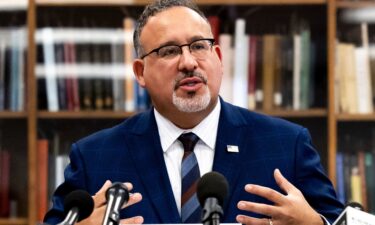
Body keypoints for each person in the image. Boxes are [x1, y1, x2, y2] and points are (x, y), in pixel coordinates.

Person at [44, 0, 344, 224]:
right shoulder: (95, 156)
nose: (188, 62)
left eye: (199, 46)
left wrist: (317, 224)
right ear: (141, 72)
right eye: (169, 51)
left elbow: (338, 219)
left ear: (218, 58)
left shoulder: (285, 144)